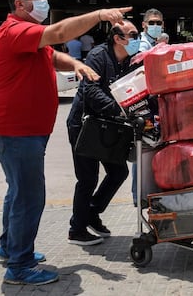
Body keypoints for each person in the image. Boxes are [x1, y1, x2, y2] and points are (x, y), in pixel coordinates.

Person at [0, 0, 130, 286]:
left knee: (17, 193)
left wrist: (74, 62)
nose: (43, 0)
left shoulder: (29, 38)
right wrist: (100, 14)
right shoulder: (15, 31)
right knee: (29, 198)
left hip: (23, 133)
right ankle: (20, 266)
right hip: (16, 134)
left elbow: (51, 55)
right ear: (19, 5)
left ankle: (10, 247)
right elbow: (61, 33)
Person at [66, 20, 140, 246]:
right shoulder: (98, 56)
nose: (136, 39)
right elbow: (91, 91)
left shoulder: (128, 60)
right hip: (85, 125)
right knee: (87, 179)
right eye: (133, 35)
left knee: (118, 173)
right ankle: (77, 229)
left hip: (110, 126)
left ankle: (91, 212)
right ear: (118, 38)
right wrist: (121, 109)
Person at [132, 7, 164, 205]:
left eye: (158, 23)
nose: (154, 26)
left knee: (153, 146)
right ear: (143, 25)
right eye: (151, 23)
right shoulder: (141, 45)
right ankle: (139, 196)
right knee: (141, 148)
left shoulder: (156, 43)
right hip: (143, 104)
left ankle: (148, 192)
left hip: (155, 103)